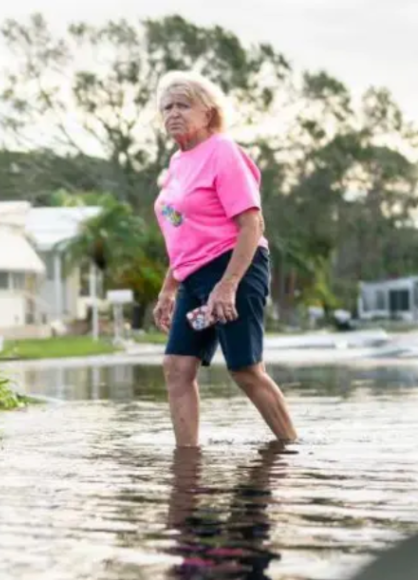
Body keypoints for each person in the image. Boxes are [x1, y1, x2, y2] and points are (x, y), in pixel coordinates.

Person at [152, 70, 298, 448]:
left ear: (208, 113)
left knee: (245, 369)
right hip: (194, 275)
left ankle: (292, 448)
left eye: (184, 105)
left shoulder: (223, 151)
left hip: (235, 265)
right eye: (167, 107)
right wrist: (168, 289)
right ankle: (187, 459)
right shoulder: (177, 164)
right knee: (177, 367)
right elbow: (183, 233)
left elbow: (252, 223)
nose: (173, 113)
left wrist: (227, 285)